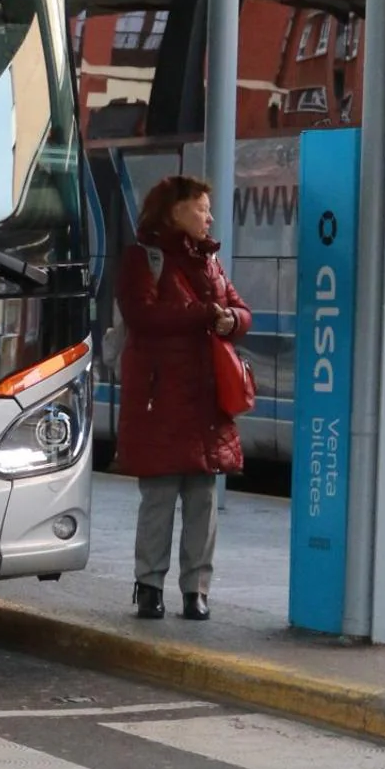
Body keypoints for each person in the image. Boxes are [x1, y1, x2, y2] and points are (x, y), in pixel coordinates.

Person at [114, 174, 251, 622]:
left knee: (202, 500)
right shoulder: (143, 259)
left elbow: (241, 309)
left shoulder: (211, 261)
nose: (209, 217)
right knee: (159, 497)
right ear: (176, 211)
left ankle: (196, 590)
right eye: (202, 208)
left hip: (207, 400)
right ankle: (149, 586)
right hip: (160, 401)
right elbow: (142, 314)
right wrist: (204, 314)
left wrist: (231, 320)